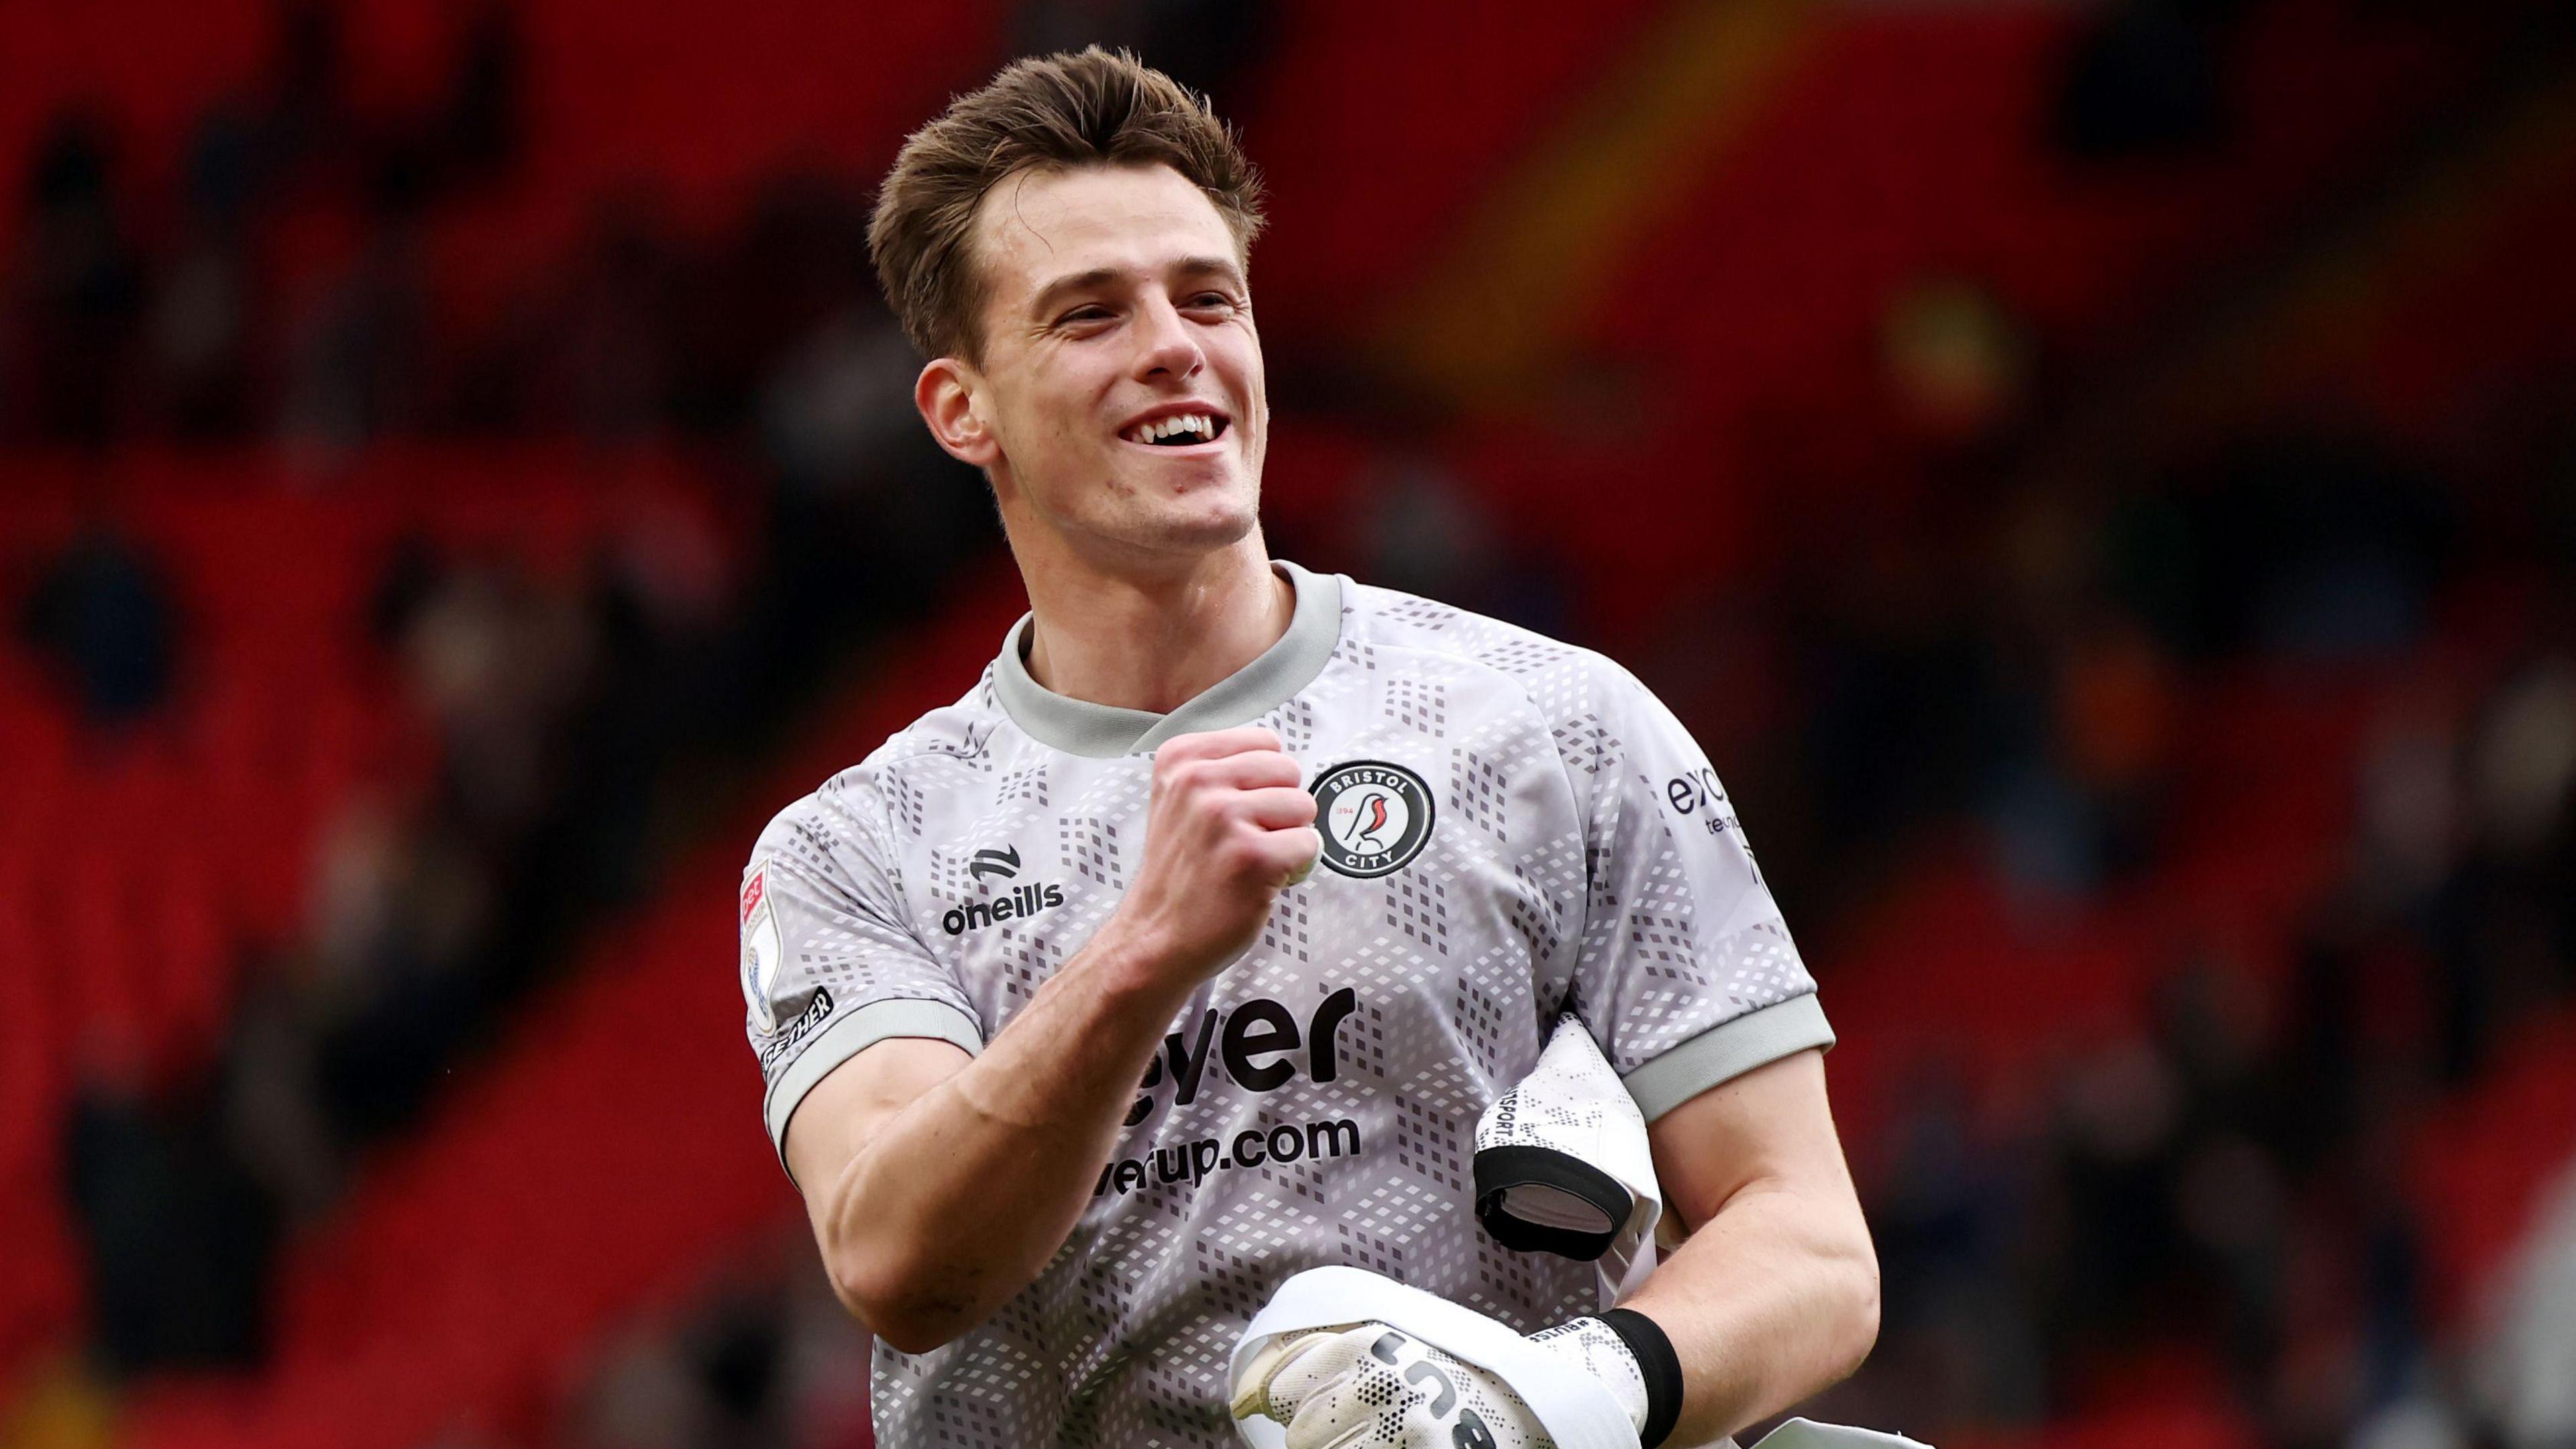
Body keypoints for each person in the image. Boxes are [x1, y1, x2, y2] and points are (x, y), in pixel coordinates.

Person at [737, 48, 1879, 1448]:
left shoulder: (1559, 729)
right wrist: (1146, 951)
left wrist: (1543, 1401)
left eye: (1208, 297)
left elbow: (1811, 1244)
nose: (1174, 344)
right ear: (961, 408)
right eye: (1090, 314)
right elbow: (898, 1263)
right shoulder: (861, 846)